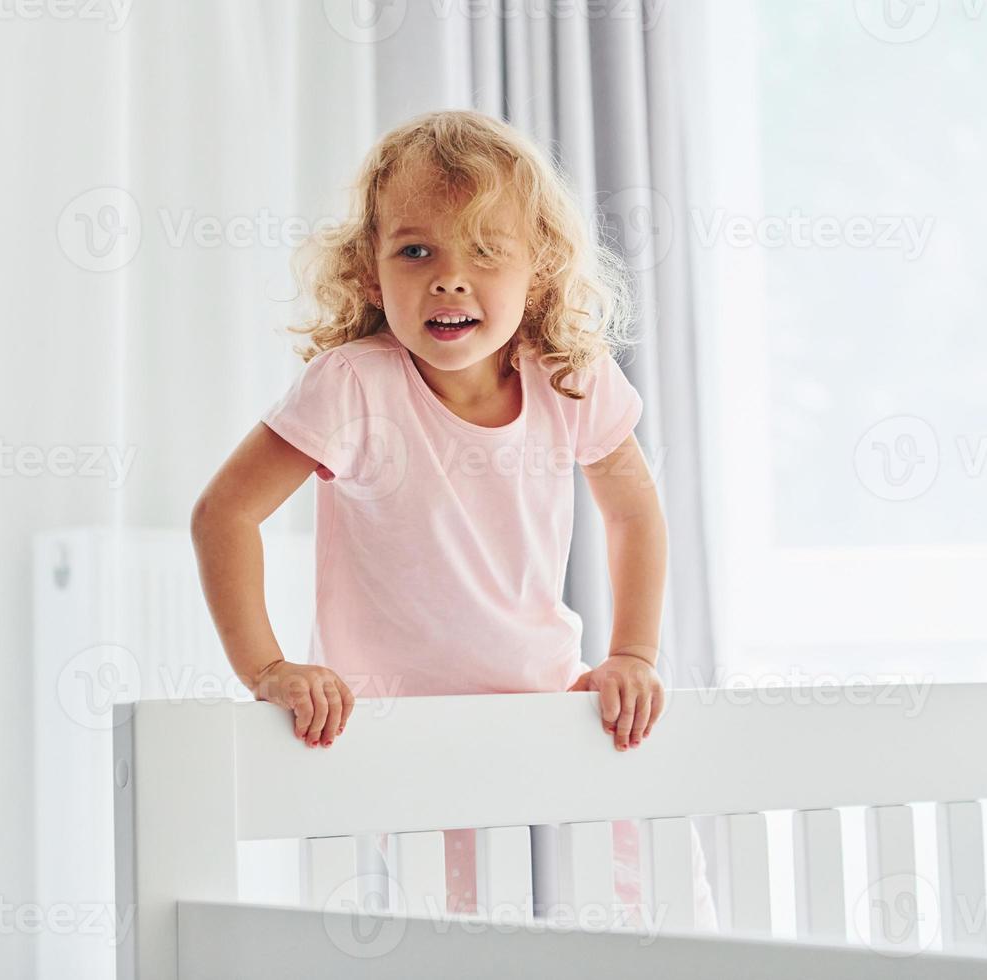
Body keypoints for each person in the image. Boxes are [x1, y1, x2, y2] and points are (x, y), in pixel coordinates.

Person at [189, 108, 716, 930]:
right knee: (477, 934)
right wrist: (270, 670)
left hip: (548, 707)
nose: (449, 277)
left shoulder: (569, 378)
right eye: (415, 251)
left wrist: (633, 655)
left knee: (639, 894)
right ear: (370, 273)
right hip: (406, 732)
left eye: (484, 250)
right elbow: (224, 514)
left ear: (538, 271)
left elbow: (635, 515)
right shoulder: (353, 386)